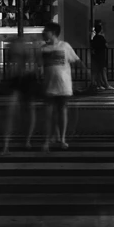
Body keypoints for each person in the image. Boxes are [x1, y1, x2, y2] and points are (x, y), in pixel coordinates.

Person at [39, 22, 85, 152]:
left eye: (45, 31)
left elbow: (76, 60)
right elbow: (40, 66)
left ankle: (62, 139)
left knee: (62, 113)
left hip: (63, 86)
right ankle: (48, 140)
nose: (43, 33)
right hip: (49, 86)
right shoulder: (43, 49)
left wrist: (87, 73)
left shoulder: (65, 46)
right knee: (48, 115)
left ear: (53, 33)